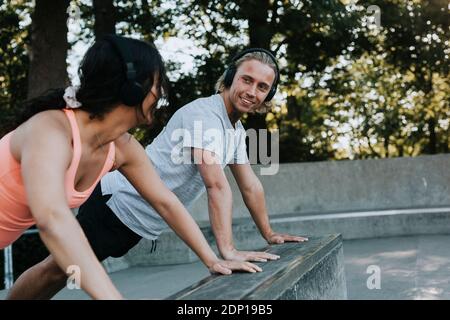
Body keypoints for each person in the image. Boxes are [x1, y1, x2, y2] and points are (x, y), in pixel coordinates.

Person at [6, 48, 308, 300]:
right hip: (118, 205)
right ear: (230, 79)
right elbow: (216, 185)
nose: (251, 91)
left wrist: (268, 233)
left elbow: (250, 184)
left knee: (62, 272)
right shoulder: (204, 116)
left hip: (136, 220)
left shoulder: (234, 129)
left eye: (262, 87)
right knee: (57, 270)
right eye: (247, 80)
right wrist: (225, 250)